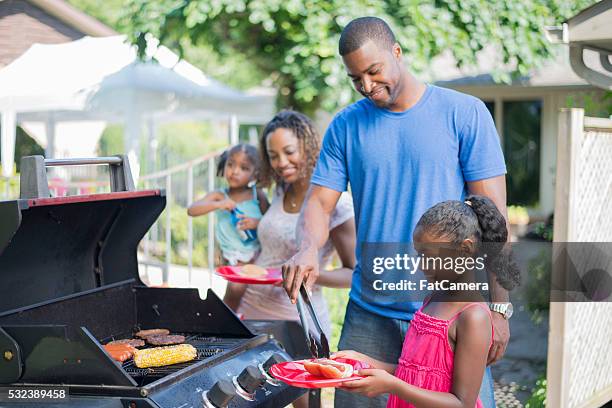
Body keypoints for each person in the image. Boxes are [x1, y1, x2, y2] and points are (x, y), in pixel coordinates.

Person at [282, 17, 512, 408]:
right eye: (357, 79)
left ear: (397, 52)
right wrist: (306, 248)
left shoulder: (465, 114)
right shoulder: (345, 126)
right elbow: (320, 204)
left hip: (452, 314)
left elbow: (494, 220)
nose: (368, 86)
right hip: (369, 314)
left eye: (374, 71)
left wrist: (500, 307)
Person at [335, 195, 520, 407]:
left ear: (466, 249)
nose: (422, 265)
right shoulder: (433, 298)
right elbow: (414, 373)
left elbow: (462, 403)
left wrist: (393, 386)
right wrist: (364, 362)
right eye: (419, 255)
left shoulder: (473, 317)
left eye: (429, 256)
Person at [188, 144, 269, 311]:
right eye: (230, 164)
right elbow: (192, 210)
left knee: (251, 295)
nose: (235, 171)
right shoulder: (219, 195)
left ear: (255, 173)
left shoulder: (257, 194)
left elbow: (270, 221)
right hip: (233, 256)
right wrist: (219, 204)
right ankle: (227, 318)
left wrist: (256, 222)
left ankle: (232, 318)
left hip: (257, 253)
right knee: (235, 290)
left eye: (244, 167)